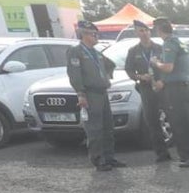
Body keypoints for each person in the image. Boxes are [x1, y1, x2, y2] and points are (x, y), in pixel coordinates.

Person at [151, 17, 189, 168]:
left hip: (176, 90)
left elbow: (168, 67)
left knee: (183, 125)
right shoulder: (181, 42)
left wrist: (156, 63)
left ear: (159, 30)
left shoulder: (169, 43)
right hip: (186, 87)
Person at [67, 20, 122, 172]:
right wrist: (80, 94)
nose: (96, 37)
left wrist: (105, 77)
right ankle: (98, 160)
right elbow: (75, 75)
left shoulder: (96, 52)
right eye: (93, 34)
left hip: (102, 93)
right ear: (84, 35)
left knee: (107, 128)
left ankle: (109, 157)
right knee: (95, 129)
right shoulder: (76, 52)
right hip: (90, 94)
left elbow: (110, 64)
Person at [123, 19, 171, 163]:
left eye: (146, 31)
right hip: (146, 88)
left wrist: (161, 79)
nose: (144, 34)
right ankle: (161, 153)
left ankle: (183, 151)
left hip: (163, 87)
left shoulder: (159, 47)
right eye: (141, 31)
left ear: (150, 32)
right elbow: (129, 70)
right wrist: (139, 76)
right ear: (136, 33)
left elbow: (168, 66)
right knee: (152, 121)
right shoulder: (133, 51)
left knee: (172, 118)